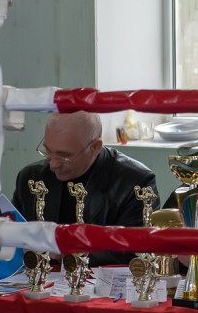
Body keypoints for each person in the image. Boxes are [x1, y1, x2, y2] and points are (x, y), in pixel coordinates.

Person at [13, 111, 158, 266]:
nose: (53, 164)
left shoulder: (136, 183)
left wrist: (72, 251)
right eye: (48, 151)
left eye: (64, 156)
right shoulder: (31, 178)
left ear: (95, 147)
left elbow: (134, 253)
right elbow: (13, 239)